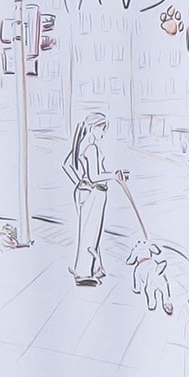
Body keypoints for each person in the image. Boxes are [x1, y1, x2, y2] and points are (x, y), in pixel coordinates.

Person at [62, 112, 125, 286]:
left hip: (84, 191)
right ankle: (84, 273)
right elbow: (95, 176)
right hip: (93, 193)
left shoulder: (81, 145)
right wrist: (114, 176)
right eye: (101, 129)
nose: (103, 133)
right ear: (93, 128)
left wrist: (80, 182)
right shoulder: (92, 148)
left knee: (88, 232)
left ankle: (95, 267)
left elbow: (67, 165)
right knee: (90, 235)